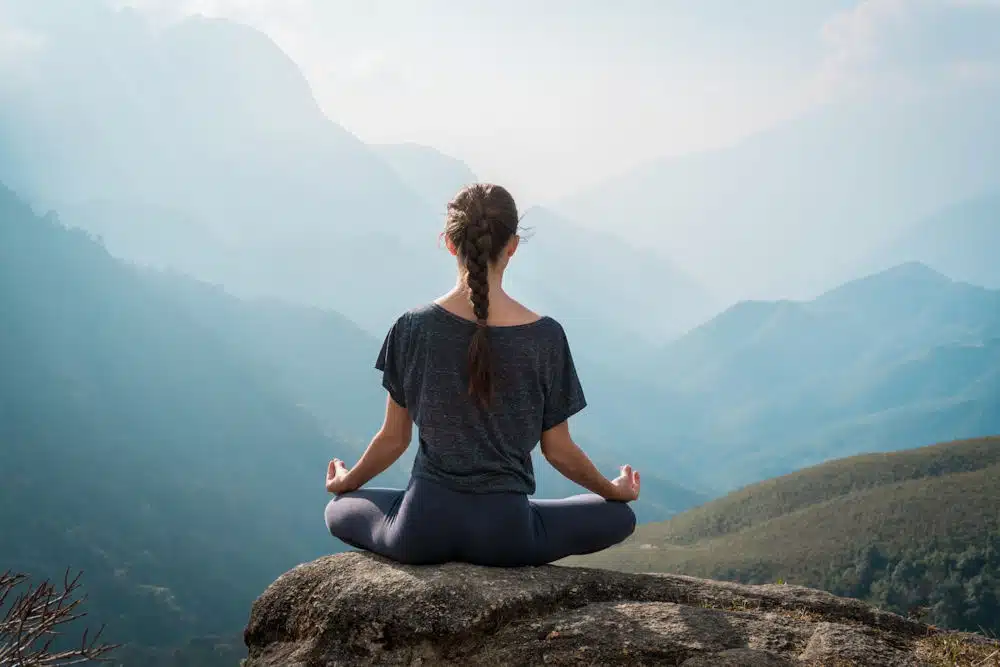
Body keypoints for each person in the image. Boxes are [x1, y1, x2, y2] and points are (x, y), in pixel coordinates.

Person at [323, 183, 640, 567]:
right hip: (506, 537)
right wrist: (612, 489)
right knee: (619, 516)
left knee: (338, 510)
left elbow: (394, 439)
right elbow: (558, 450)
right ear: (512, 245)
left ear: (450, 243)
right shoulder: (546, 337)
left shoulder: (412, 328)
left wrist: (347, 481)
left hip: (421, 529)